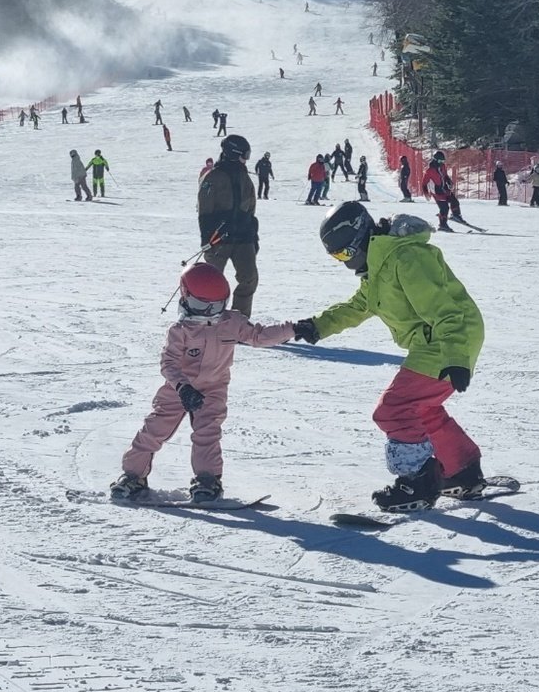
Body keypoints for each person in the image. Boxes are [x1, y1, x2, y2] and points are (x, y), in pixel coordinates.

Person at [292, 202, 486, 512]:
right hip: (439, 339)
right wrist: (318, 326)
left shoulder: (406, 258)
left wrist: (456, 355)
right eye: (335, 257)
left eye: (344, 254)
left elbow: (443, 308)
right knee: (421, 409)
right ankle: (462, 470)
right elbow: (359, 306)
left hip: (449, 337)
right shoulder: (379, 265)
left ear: (358, 240)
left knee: (394, 409)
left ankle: (417, 483)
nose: (344, 263)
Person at [109, 266, 294, 503]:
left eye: (215, 307)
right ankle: (133, 476)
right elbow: (169, 363)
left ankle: (208, 480)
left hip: (213, 389)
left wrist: (294, 329)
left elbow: (259, 335)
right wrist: (182, 387)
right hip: (178, 389)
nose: (207, 313)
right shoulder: (180, 331)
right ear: (185, 297)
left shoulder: (231, 322)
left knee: (207, 433)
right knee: (154, 430)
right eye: (200, 307)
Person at [198, 134, 260, 316]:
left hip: (243, 237)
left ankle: (239, 319)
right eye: (244, 155)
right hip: (219, 237)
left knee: (249, 278)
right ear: (233, 154)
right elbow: (204, 209)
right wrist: (207, 237)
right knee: (213, 280)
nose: (246, 160)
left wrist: (253, 234)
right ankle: (209, 317)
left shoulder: (244, 177)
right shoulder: (213, 177)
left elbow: (251, 207)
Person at [422, 150, 465, 231]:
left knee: (454, 201)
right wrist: (426, 193)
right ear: (435, 160)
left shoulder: (442, 166)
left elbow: (445, 175)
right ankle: (442, 225)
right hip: (437, 192)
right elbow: (424, 183)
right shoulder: (429, 171)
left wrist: (449, 181)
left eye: (442, 161)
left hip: (444, 189)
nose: (441, 162)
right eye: (439, 161)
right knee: (444, 208)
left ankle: (456, 215)